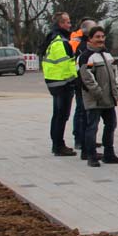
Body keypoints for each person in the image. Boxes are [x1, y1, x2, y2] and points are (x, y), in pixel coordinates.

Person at [77, 26, 118, 167]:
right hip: (95, 99)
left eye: (102, 36)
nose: (101, 39)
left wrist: (116, 88)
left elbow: (116, 73)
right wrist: (98, 93)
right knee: (92, 127)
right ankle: (91, 156)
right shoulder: (85, 56)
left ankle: (109, 154)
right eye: (97, 37)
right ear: (90, 39)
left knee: (111, 125)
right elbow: (86, 78)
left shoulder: (107, 55)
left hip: (109, 99)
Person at [42, 12, 78, 157]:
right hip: (62, 83)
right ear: (61, 24)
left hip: (54, 82)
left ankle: (57, 144)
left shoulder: (52, 38)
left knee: (57, 115)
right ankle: (58, 145)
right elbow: (66, 65)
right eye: (68, 22)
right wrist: (74, 80)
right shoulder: (61, 41)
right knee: (61, 115)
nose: (70, 25)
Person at [70, 17, 95, 152]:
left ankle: (86, 138)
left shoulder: (85, 45)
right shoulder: (83, 47)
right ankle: (79, 139)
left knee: (84, 111)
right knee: (81, 111)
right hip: (81, 83)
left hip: (83, 82)